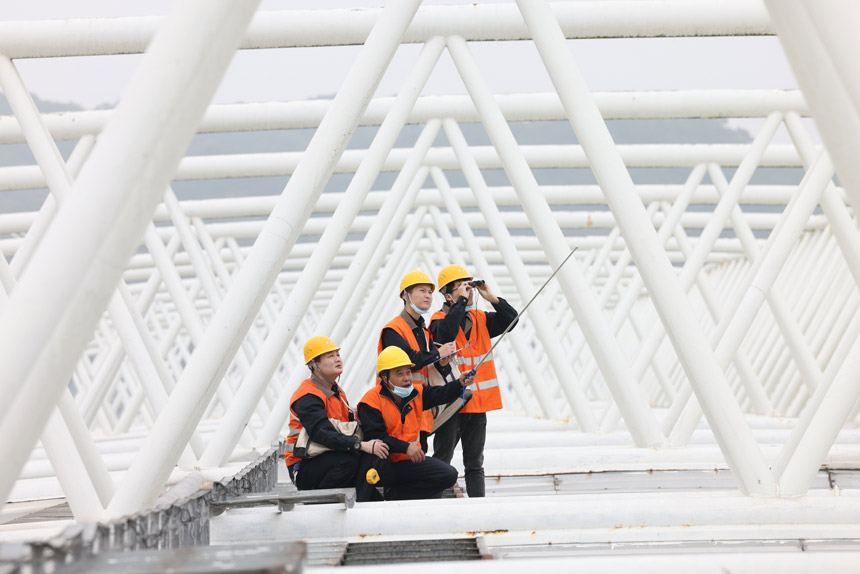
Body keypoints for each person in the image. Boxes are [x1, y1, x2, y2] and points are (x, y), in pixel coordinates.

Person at [429, 265, 518, 498]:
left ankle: (479, 510)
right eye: (462, 288)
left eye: (470, 288)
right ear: (448, 295)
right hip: (452, 404)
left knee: (475, 464)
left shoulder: (480, 319)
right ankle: (432, 505)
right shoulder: (437, 321)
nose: (469, 293)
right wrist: (460, 302)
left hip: (477, 404)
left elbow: (511, 319)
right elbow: (447, 332)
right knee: (442, 460)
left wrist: (492, 298)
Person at [357, 346, 473, 501]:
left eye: (408, 372)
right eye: (400, 374)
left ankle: (398, 495)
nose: (407, 378)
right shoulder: (370, 401)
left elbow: (441, 394)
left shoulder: (416, 392)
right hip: (384, 465)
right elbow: (377, 438)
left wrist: (459, 383)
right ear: (385, 378)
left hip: (410, 462)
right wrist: (406, 448)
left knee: (449, 475)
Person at [284, 335, 388, 491]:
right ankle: (320, 503)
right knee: (350, 460)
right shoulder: (307, 396)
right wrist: (360, 445)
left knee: (375, 454)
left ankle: (364, 501)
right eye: (330, 356)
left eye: (337, 354)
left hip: (329, 457)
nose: (337, 359)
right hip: (303, 465)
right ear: (314, 365)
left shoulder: (337, 392)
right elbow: (322, 433)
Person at [378, 271, 457, 446]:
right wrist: (438, 353)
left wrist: (441, 363)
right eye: (422, 291)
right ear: (406, 295)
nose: (428, 296)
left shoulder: (423, 330)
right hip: (398, 409)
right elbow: (408, 361)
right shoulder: (393, 329)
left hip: (419, 407)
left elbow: (425, 367)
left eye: (429, 292)